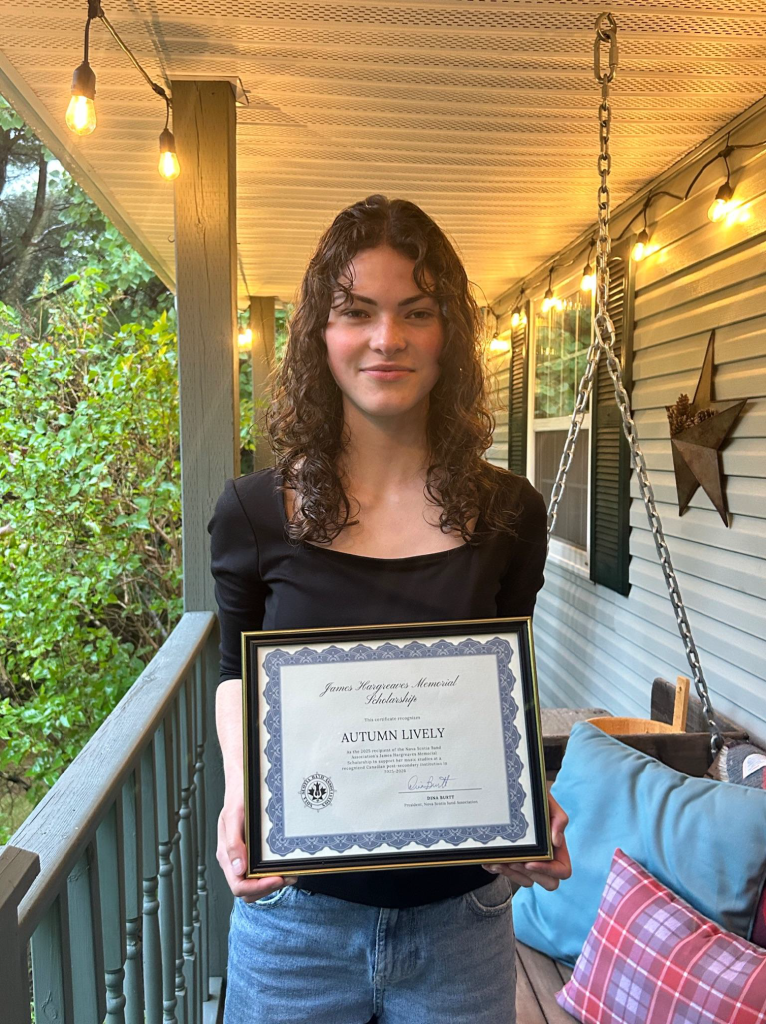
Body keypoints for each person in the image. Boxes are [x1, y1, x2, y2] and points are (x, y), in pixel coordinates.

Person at [207, 194, 571, 1024]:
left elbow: (504, 686)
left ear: (449, 335)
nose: (387, 338)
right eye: (357, 312)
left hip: (463, 924)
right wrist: (240, 792)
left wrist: (526, 798)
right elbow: (236, 671)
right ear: (320, 334)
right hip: (294, 924)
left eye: (416, 311)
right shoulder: (254, 513)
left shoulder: (511, 513)